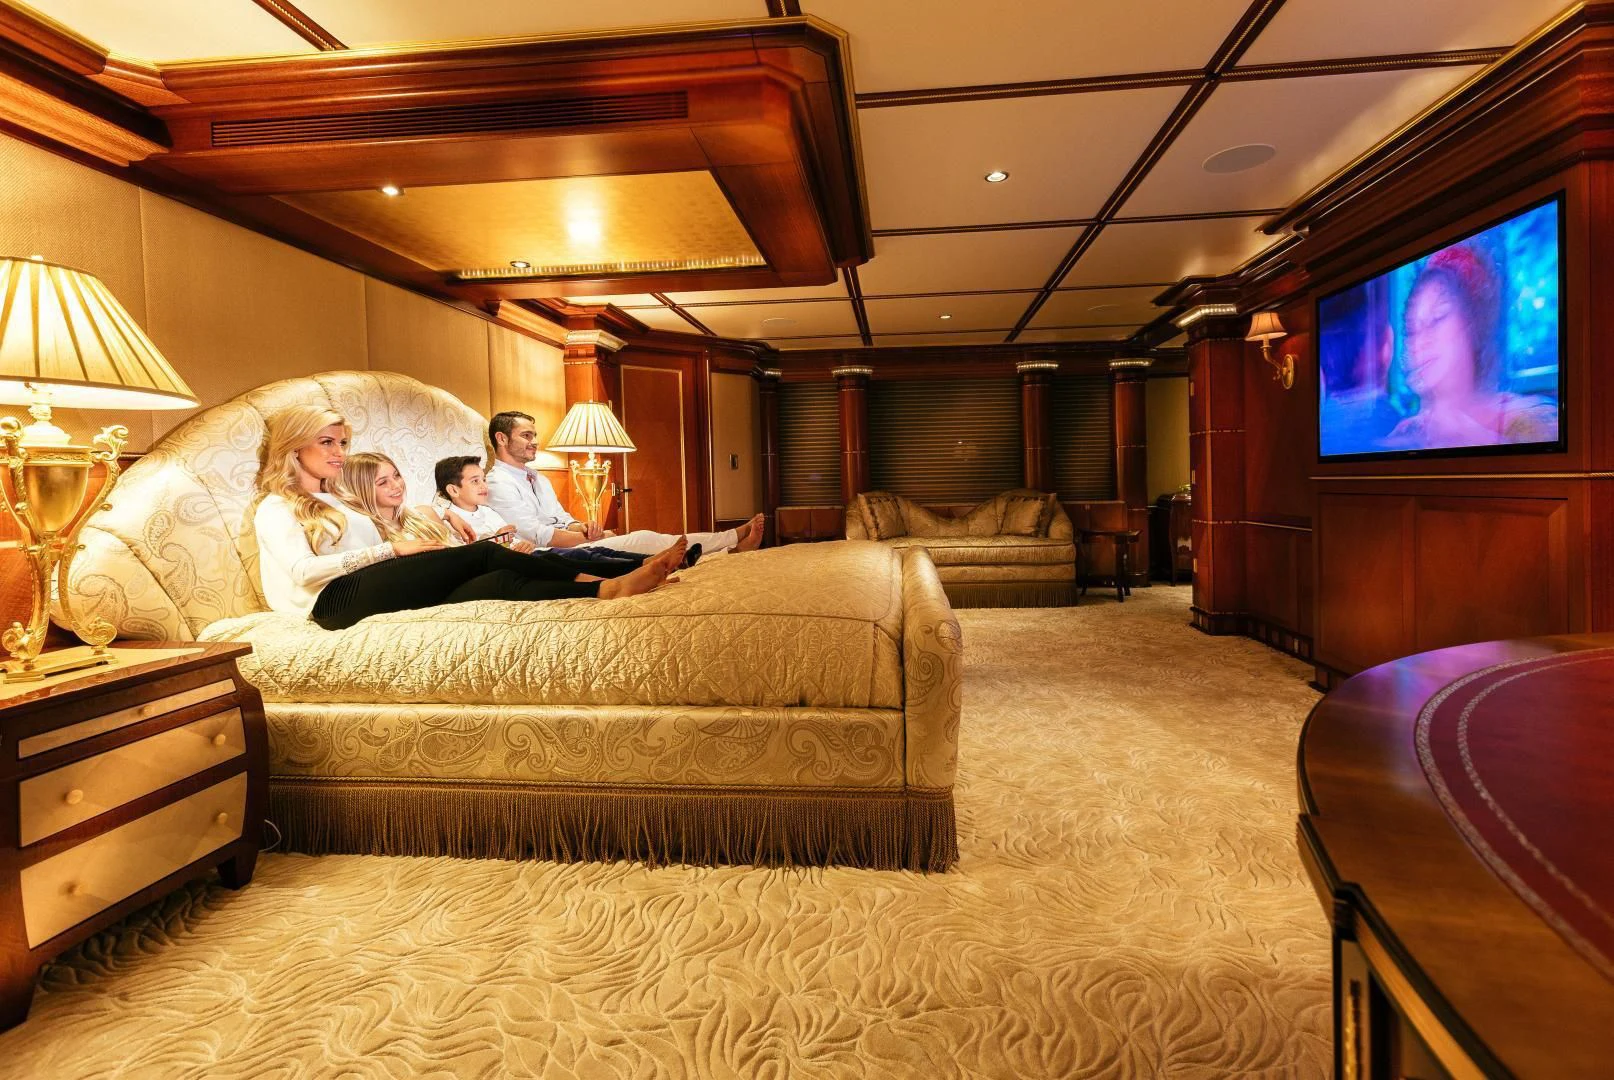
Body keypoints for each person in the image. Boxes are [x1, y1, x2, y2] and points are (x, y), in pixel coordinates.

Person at [251, 405, 681, 631]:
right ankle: (610, 577)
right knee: (481, 555)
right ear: (294, 447)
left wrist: (441, 514)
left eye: (342, 442)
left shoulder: (340, 500)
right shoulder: (276, 506)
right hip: (329, 603)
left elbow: (397, 510)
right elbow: (303, 572)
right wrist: (391, 549)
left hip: (370, 585)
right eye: (326, 442)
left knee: (492, 582)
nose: (338, 453)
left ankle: (605, 590)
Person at [483, 410, 764, 555]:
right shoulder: (497, 483)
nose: (535, 442)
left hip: (572, 539)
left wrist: (582, 526)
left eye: (534, 436)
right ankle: (732, 540)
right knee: (646, 540)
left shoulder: (538, 477)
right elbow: (537, 536)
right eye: (527, 436)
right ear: (502, 438)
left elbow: (562, 519)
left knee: (650, 545)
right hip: (551, 553)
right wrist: (592, 537)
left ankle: (731, 547)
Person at [1383, 244, 1557, 449]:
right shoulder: (1406, 435)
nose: (1421, 340)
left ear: (1473, 323)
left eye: (1437, 318)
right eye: (1412, 329)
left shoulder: (1533, 424)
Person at [427, 454, 668, 572]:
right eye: (475, 481)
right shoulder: (446, 516)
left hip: (525, 554)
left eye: (483, 479)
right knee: (578, 559)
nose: (484, 486)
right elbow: (462, 553)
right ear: (452, 489)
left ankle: (649, 560)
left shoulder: (488, 511)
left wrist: (515, 540)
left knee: (596, 550)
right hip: (505, 565)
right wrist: (448, 514)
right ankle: (644, 568)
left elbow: (512, 538)